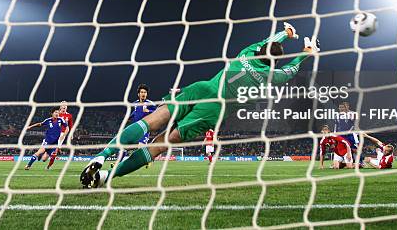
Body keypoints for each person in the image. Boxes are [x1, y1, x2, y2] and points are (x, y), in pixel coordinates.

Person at [81, 22, 319, 188]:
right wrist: (306, 52)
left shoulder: (245, 53)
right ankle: (106, 176)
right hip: (214, 110)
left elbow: (266, 42)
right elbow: (291, 68)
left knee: (151, 120)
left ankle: (103, 155)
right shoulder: (272, 76)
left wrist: (284, 33)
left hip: (202, 88)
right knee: (162, 143)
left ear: (258, 51)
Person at [46, 101, 74, 170]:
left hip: (62, 134)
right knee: (47, 150)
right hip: (53, 133)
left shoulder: (69, 116)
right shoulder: (57, 114)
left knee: (55, 150)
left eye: (65, 105)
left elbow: (71, 125)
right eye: (63, 105)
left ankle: (49, 166)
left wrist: (71, 134)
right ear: (60, 107)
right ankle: (43, 155)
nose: (64, 107)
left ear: (67, 107)